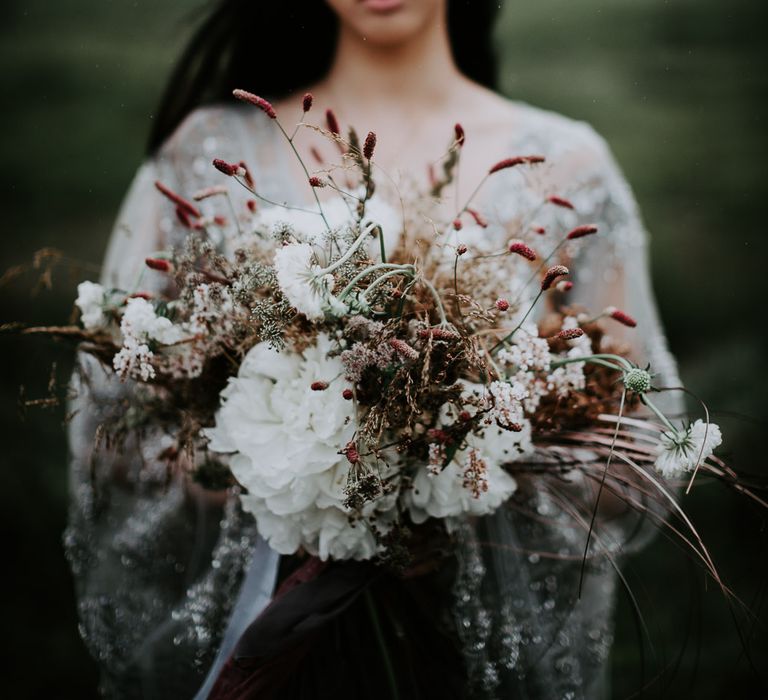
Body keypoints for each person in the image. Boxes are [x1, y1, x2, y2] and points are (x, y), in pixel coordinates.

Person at [66, 1, 681, 697]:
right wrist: (277, 473)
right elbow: (113, 411)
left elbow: (631, 438)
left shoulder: (568, 167)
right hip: (273, 641)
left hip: (459, 644)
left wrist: (459, 474)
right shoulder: (208, 150)